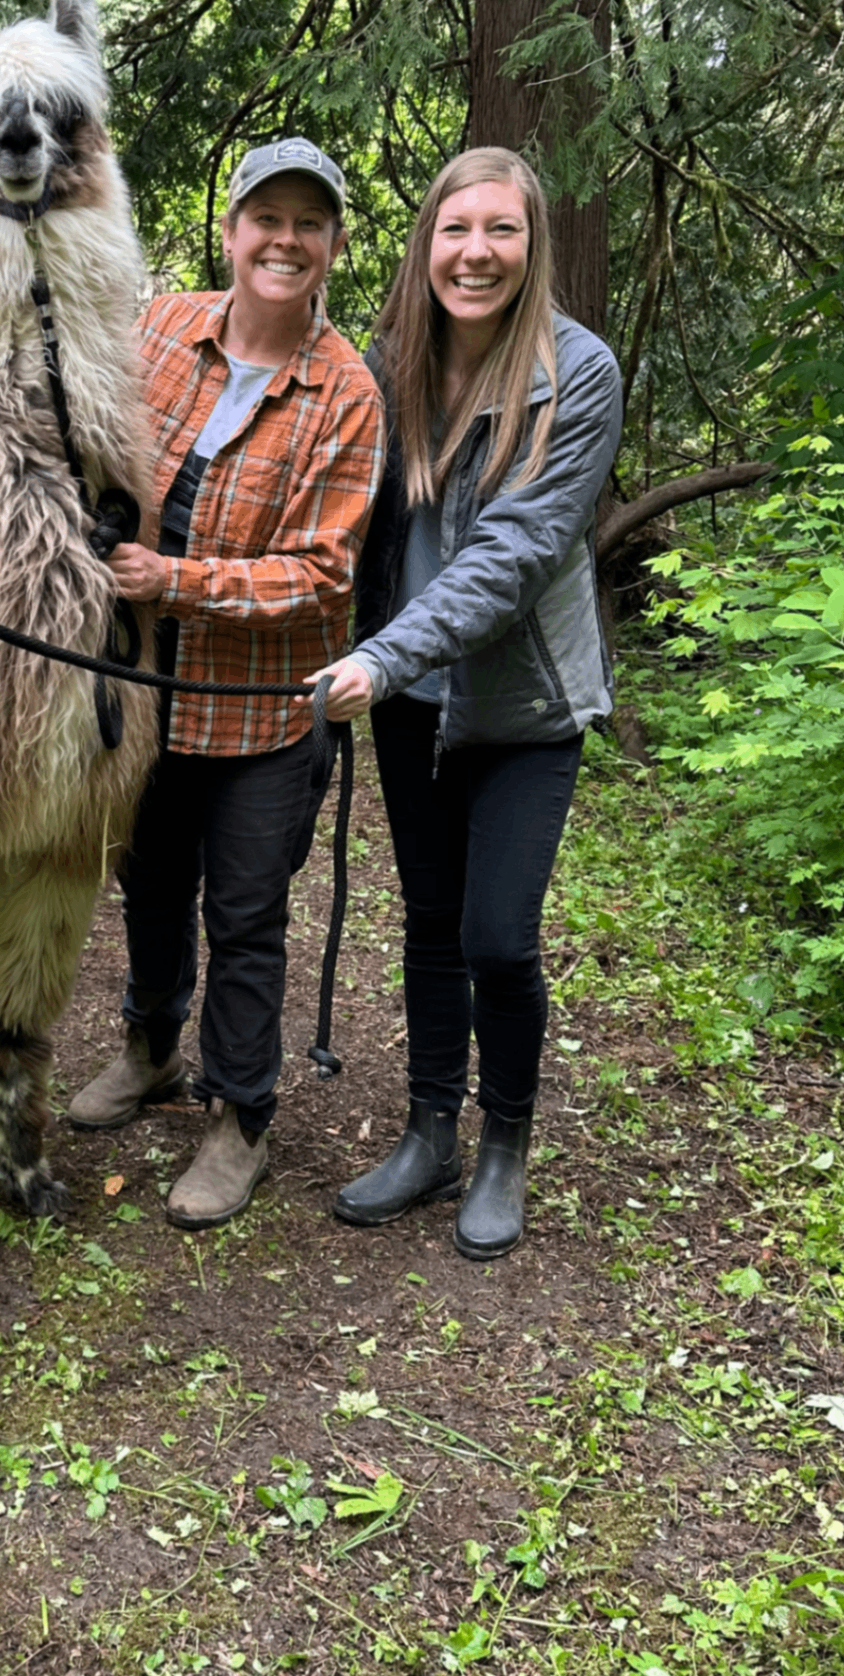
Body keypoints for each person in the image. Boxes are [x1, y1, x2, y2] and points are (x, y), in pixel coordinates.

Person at [67, 138, 385, 1229]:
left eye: (309, 224)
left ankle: (239, 1115)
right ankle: (151, 1047)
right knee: (148, 887)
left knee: (244, 915)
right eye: (267, 218)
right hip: (146, 697)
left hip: (259, 714)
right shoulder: (156, 328)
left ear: (333, 246)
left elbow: (323, 572)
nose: (284, 241)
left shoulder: (344, 392)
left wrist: (178, 579)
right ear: (232, 231)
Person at [318, 146, 624, 1260]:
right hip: (406, 700)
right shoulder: (392, 358)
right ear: (427, 244)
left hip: (524, 708)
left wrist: (384, 657)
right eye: (457, 230)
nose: (476, 253)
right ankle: (430, 1130)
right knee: (433, 926)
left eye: (501, 231)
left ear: (532, 244)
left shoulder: (577, 373)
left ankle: (504, 1147)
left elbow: (517, 551)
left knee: (498, 933)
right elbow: (343, 513)